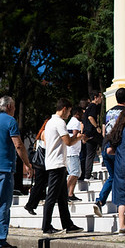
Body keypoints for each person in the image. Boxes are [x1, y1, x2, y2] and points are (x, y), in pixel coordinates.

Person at [0, 96, 33, 248]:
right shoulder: (10, 121)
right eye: (14, 107)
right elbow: (18, 145)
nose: (15, 110)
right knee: (2, 205)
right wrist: (27, 164)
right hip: (3, 169)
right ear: (9, 106)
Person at [42, 98, 85, 235]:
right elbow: (68, 142)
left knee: (62, 197)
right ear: (64, 109)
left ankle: (68, 224)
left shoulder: (49, 122)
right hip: (57, 163)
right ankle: (46, 226)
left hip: (54, 162)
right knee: (52, 197)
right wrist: (79, 137)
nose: (69, 114)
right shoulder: (60, 122)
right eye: (69, 111)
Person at [92, 87, 125, 217]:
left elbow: (104, 132)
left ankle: (100, 200)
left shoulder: (108, 112)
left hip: (106, 146)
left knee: (113, 176)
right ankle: (122, 205)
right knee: (122, 176)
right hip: (118, 148)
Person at [23, 118, 50, 215]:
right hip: (42, 164)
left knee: (40, 184)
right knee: (39, 184)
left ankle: (31, 204)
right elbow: (49, 146)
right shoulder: (46, 133)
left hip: (39, 163)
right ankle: (30, 204)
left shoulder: (40, 134)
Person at [82, 91, 103, 180]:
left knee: (90, 154)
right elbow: (91, 117)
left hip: (87, 133)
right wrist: (97, 127)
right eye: (100, 97)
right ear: (95, 97)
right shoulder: (94, 106)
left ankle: (87, 174)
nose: (101, 99)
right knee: (105, 144)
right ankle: (105, 163)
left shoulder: (88, 107)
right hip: (93, 132)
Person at [66, 106, 83, 201]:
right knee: (75, 172)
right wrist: (82, 137)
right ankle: (64, 191)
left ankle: (70, 193)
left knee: (76, 173)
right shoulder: (76, 123)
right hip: (73, 152)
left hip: (71, 151)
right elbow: (76, 135)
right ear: (77, 114)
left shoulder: (70, 122)